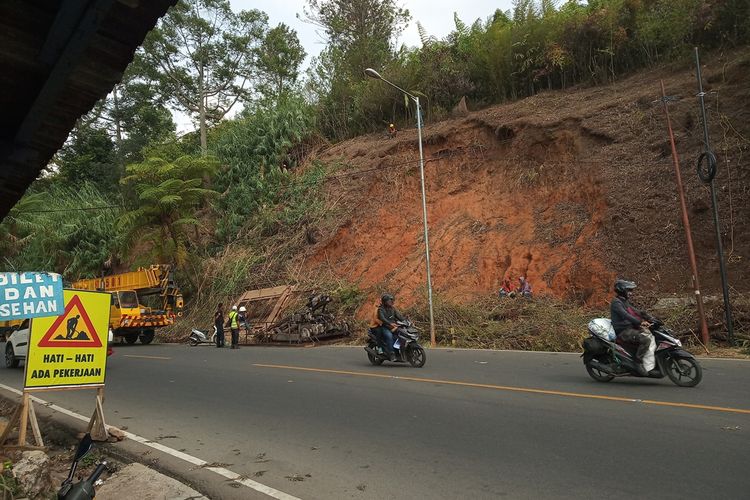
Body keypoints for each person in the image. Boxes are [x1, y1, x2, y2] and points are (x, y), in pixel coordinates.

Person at [610, 279, 655, 376]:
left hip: (631, 328)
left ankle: (649, 362)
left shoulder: (624, 302)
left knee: (652, 334)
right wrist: (640, 322)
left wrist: (649, 317)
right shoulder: (616, 303)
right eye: (629, 290)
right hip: (623, 331)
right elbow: (626, 315)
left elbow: (636, 311)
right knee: (646, 340)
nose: (630, 293)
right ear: (622, 290)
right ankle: (638, 363)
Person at [369, 293, 405, 361]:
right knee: (389, 336)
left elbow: (399, 316)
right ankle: (391, 353)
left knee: (400, 336)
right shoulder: (379, 309)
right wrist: (390, 324)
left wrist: (406, 321)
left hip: (391, 326)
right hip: (381, 326)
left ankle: (398, 351)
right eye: (389, 301)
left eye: (391, 301)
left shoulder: (393, 309)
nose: (391, 302)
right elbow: (380, 319)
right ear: (385, 301)